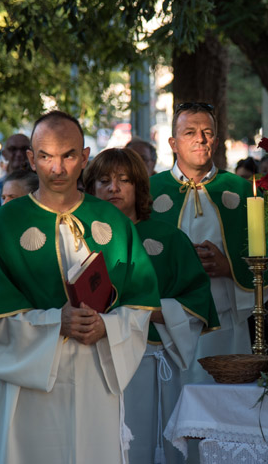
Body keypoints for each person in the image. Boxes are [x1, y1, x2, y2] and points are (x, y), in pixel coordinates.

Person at [0, 111, 160, 464]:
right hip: (31, 385)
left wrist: (106, 325)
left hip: (97, 375)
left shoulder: (112, 222)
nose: (57, 168)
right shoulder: (5, 223)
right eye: (45, 156)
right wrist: (53, 323)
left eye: (68, 155)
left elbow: (140, 304)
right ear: (31, 159)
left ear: (85, 157)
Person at [84, 147, 219, 463]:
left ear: (139, 188)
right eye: (103, 181)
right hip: (94, 361)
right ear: (90, 188)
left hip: (150, 361)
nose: (113, 188)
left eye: (123, 180)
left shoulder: (169, 238)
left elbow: (197, 302)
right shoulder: (79, 236)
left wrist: (143, 312)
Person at [149, 102, 268, 384]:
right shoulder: (149, 192)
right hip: (167, 327)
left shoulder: (242, 190)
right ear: (173, 142)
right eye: (190, 132)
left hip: (225, 325)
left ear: (217, 141)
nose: (200, 138)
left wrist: (230, 266)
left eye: (207, 132)